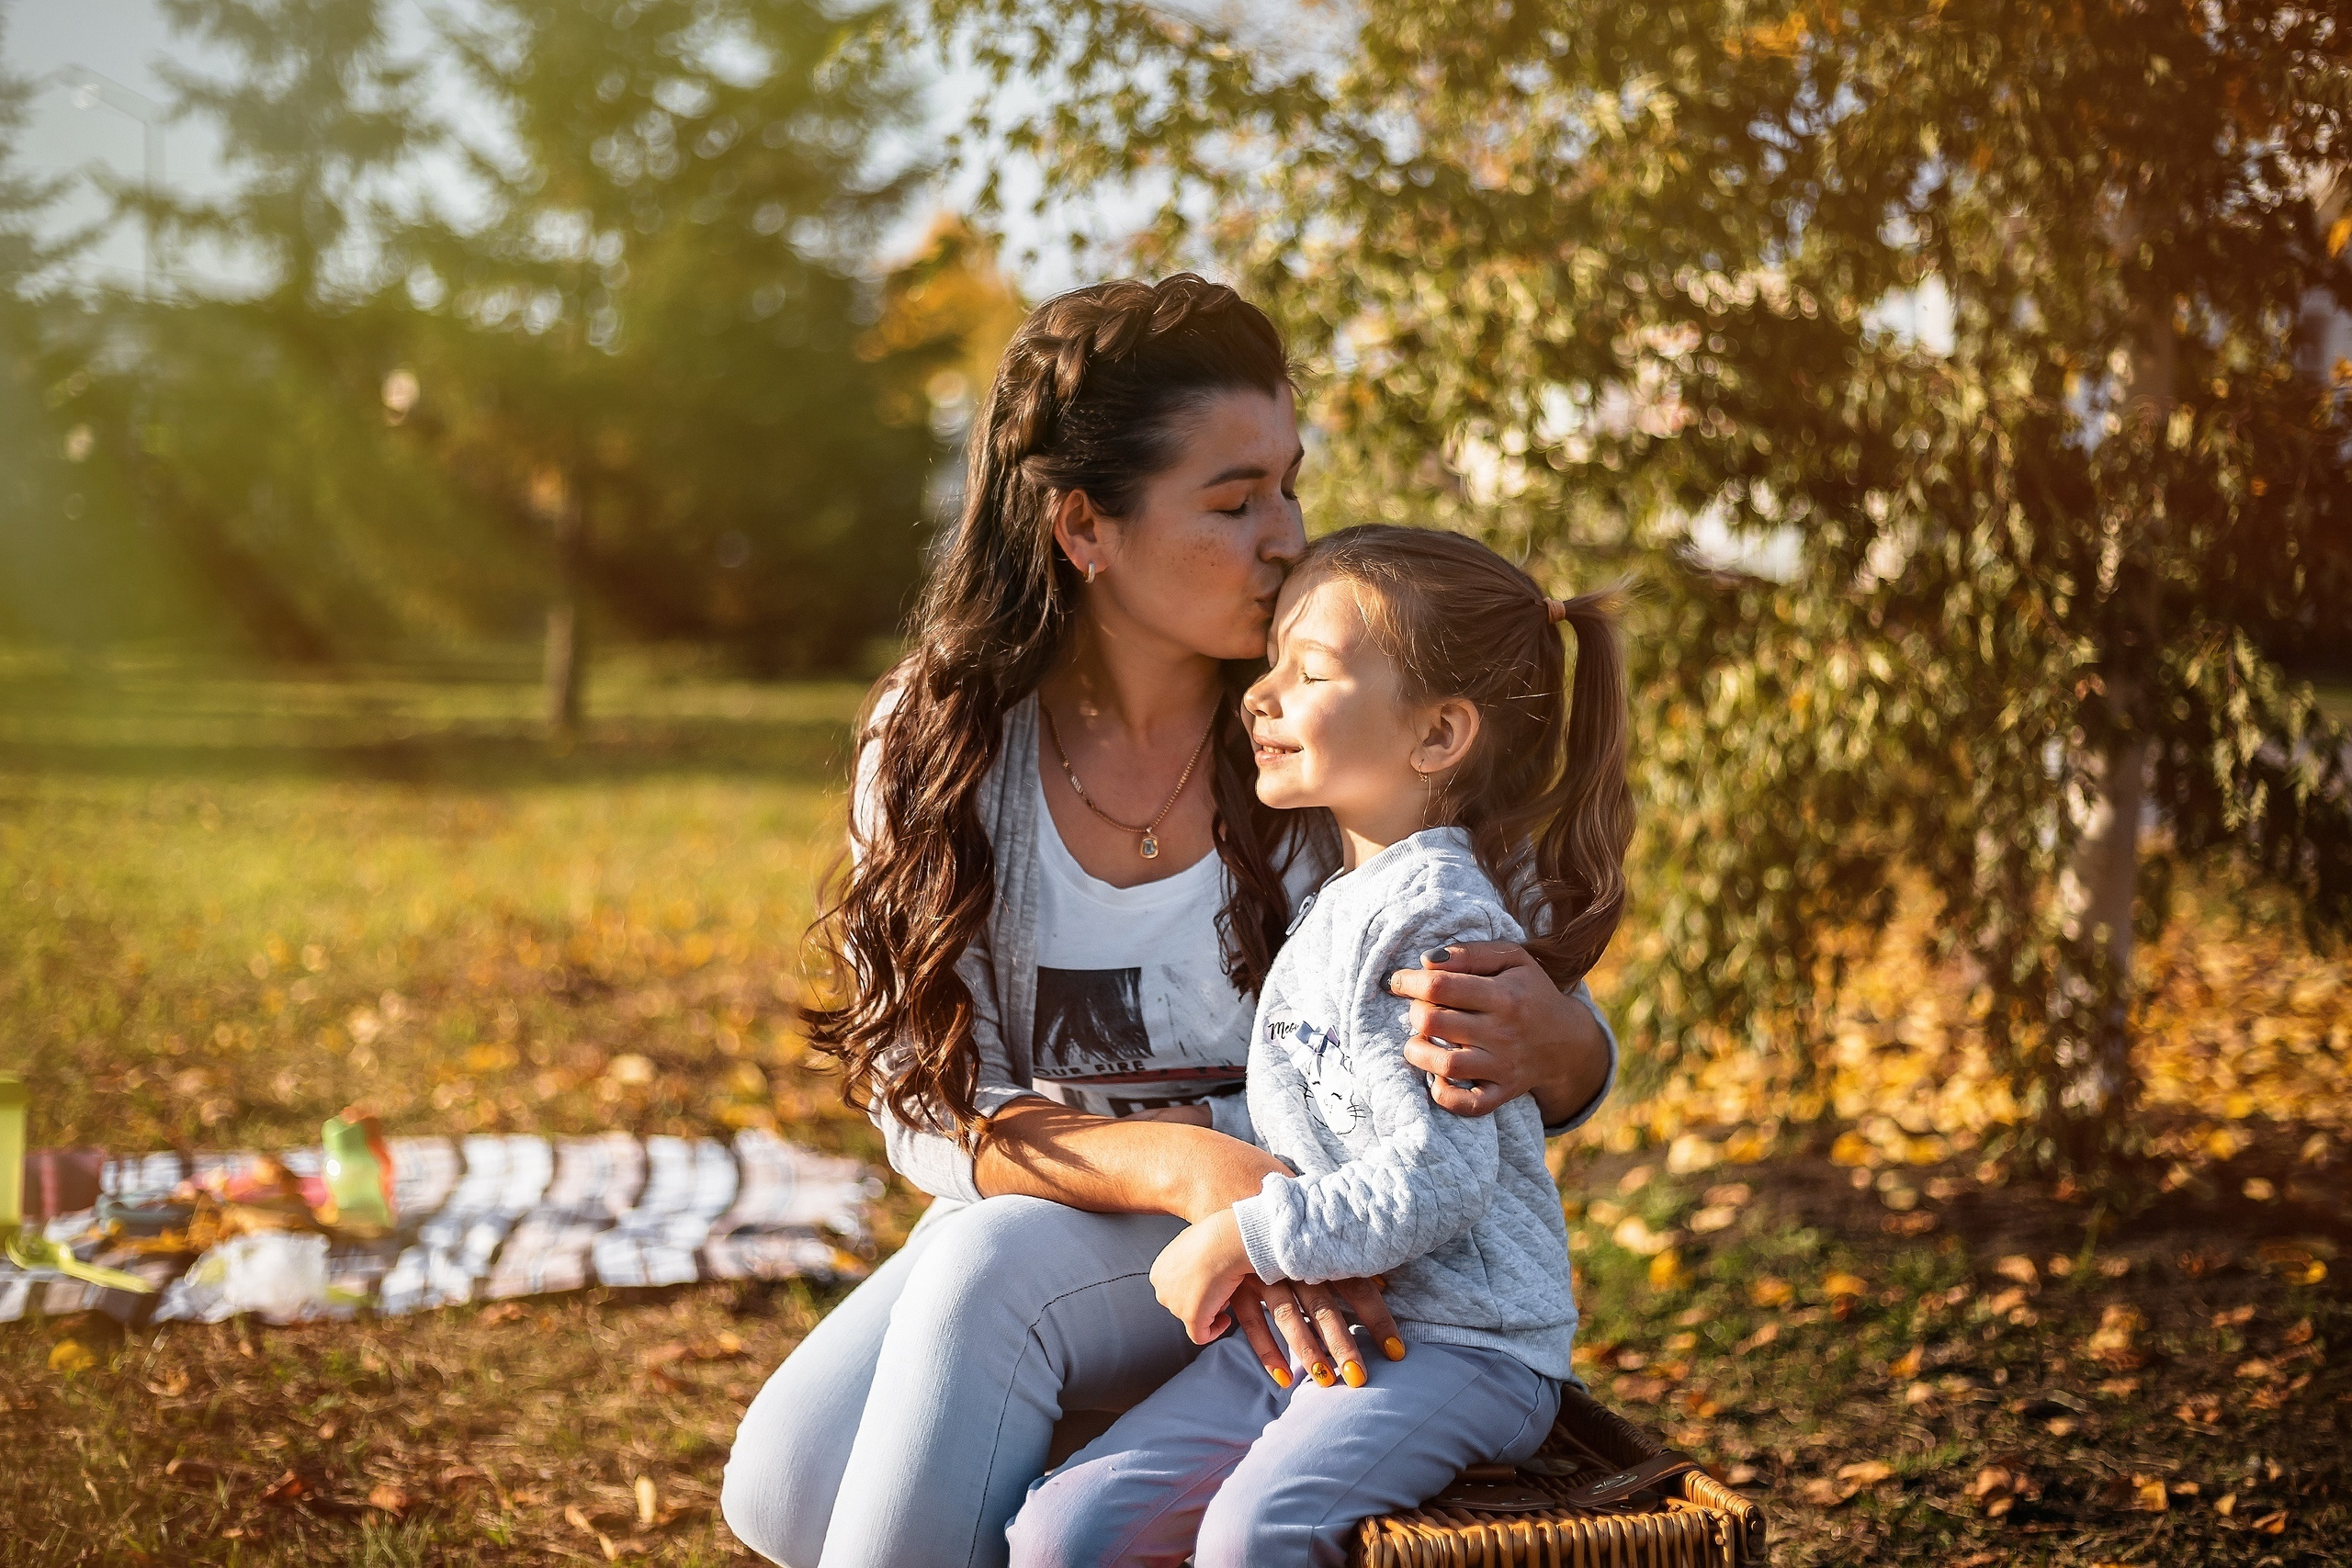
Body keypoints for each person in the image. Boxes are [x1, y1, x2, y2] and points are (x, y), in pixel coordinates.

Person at [720, 277, 1620, 1568]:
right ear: (1086, 526)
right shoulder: (942, 740)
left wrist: (1560, 1043)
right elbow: (924, 1101)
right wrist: (1179, 1164)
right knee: (785, 1482)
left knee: (985, 1293)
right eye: (1235, 499)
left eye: (1290, 487)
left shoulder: (1335, 722)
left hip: (1335, 1225)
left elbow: (1539, 1021)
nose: (1288, 536)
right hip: (1095, 1198)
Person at [1001, 525, 1632, 1567]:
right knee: (1069, 1530)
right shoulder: (1344, 902)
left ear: (1436, 736)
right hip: (1340, 1320)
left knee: (1261, 1535)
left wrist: (1244, 1238)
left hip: (1465, 1344)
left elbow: (1441, 1178)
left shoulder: (1427, 924)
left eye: (1312, 673)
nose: (1259, 694)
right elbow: (1326, 1112)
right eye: (1270, 666)